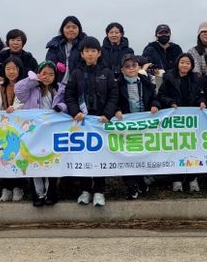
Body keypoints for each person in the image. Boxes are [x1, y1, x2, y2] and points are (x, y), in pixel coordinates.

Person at [65, 36, 118, 207]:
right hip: (83, 122)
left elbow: (113, 95)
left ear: (99, 53)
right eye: (86, 51)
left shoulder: (107, 73)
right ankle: (85, 190)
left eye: (93, 51)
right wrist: (75, 111)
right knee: (84, 155)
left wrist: (107, 114)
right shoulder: (76, 73)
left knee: (100, 155)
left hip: (100, 122)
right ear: (81, 54)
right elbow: (69, 95)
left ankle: (99, 191)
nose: (90, 54)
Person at [14, 60, 67, 206]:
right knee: (34, 160)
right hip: (34, 132)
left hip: (52, 131)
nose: (47, 77)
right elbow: (18, 90)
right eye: (44, 73)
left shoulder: (59, 89)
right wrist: (33, 80)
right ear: (38, 74)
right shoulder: (32, 89)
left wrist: (61, 107)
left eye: (51, 74)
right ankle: (38, 194)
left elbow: (68, 103)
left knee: (51, 160)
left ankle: (51, 193)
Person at [114, 54, 161, 199]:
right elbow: (112, 100)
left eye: (134, 65)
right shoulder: (117, 85)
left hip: (143, 125)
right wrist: (116, 110)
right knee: (125, 156)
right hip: (125, 125)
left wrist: (154, 105)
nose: (131, 69)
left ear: (139, 67)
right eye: (127, 66)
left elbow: (154, 98)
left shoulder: (146, 82)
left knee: (140, 155)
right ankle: (131, 186)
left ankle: (141, 182)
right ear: (122, 70)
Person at [158, 53, 202, 193]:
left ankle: (192, 178)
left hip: (191, 121)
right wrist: (170, 102)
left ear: (192, 65)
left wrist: (202, 101)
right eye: (182, 62)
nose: (185, 65)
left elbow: (201, 94)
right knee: (176, 149)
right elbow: (161, 95)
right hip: (175, 120)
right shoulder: (169, 78)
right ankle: (176, 179)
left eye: (188, 63)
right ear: (177, 63)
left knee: (192, 149)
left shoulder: (196, 78)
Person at [0, 56, 26, 202]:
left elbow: (26, 103)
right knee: (3, 156)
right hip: (2, 127)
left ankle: (18, 187)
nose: (11, 72)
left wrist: (15, 108)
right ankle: (6, 187)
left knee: (17, 155)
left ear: (19, 70)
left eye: (14, 69)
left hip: (18, 126)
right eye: (8, 69)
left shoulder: (25, 85)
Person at [45, 15, 87, 84]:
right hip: (57, 85)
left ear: (79, 29)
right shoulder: (55, 45)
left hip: (78, 85)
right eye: (68, 27)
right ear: (62, 29)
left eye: (74, 27)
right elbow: (49, 63)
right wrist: (55, 65)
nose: (71, 29)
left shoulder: (85, 45)